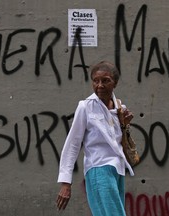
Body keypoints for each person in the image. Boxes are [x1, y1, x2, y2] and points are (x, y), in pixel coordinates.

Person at [56, 61, 134, 215]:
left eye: (105, 80)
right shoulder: (86, 106)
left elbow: (119, 142)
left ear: (115, 83)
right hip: (99, 168)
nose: (100, 85)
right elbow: (73, 144)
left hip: (118, 169)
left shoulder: (120, 108)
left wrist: (125, 125)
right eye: (96, 81)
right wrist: (66, 182)